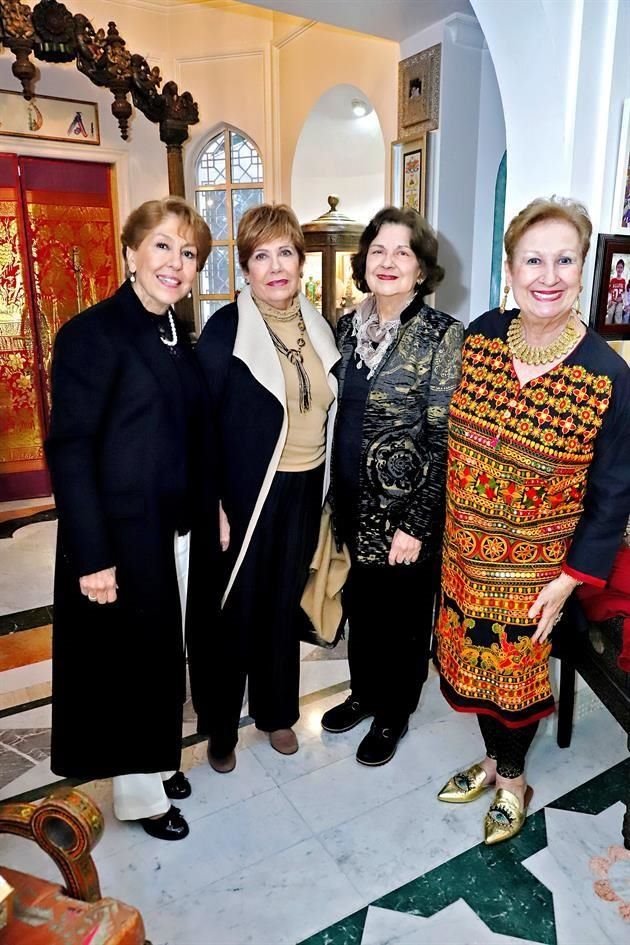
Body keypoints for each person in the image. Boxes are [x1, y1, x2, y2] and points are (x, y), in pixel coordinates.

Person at [435, 197, 630, 844]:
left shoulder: (607, 373)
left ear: (583, 269)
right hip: (463, 554)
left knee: (513, 681)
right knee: (465, 665)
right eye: (534, 259)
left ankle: (515, 778)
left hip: (539, 572)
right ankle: (491, 761)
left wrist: (573, 578)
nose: (549, 275)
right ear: (511, 268)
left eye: (565, 259)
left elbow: (613, 490)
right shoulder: (483, 335)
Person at [46, 196, 212, 841]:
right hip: (119, 537)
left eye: (189, 252)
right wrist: (93, 557)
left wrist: (209, 513)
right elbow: (71, 449)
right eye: (163, 246)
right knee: (131, 669)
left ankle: (156, 758)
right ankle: (140, 797)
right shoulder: (93, 333)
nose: (176, 262)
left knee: (161, 660)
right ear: (131, 253)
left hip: (171, 531)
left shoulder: (172, 334)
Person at [187, 203, 339, 771]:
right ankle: (222, 728)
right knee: (235, 612)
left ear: (300, 262)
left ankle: (278, 713)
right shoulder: (227, 330)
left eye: (285, 253)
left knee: (281, 608)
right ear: (245, 268)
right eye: (261, 256)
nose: (275, 267)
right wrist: (216, 503)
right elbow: (200, 427)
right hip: (248, 497)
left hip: (304, 490)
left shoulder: (317, 323)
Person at [320, 206, 464, 766]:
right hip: (351, 499)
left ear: (421, 270)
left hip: (407, 511)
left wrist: (417, 523)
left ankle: (394, 711)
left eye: (402, 252)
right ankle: (363, 691)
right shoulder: (345, 327)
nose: (388, 261)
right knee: (360, 603)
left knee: (401, 616)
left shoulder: (441, 336)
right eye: (378, 250)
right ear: (364, 262)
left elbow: (443, 438)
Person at [606, 258, 626, 324]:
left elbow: (623, 293)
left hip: (619, 301)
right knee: (610, 312)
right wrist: (610, 301)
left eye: (621, 267)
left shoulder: (623, 281)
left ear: (623, 269)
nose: (619, 269)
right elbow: (610, 292)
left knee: (618, 313)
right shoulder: (612, 280)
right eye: (618, 267)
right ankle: (607, 329)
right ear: (616, 268)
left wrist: (621, 299)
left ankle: (617, 330)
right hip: (613, 301)